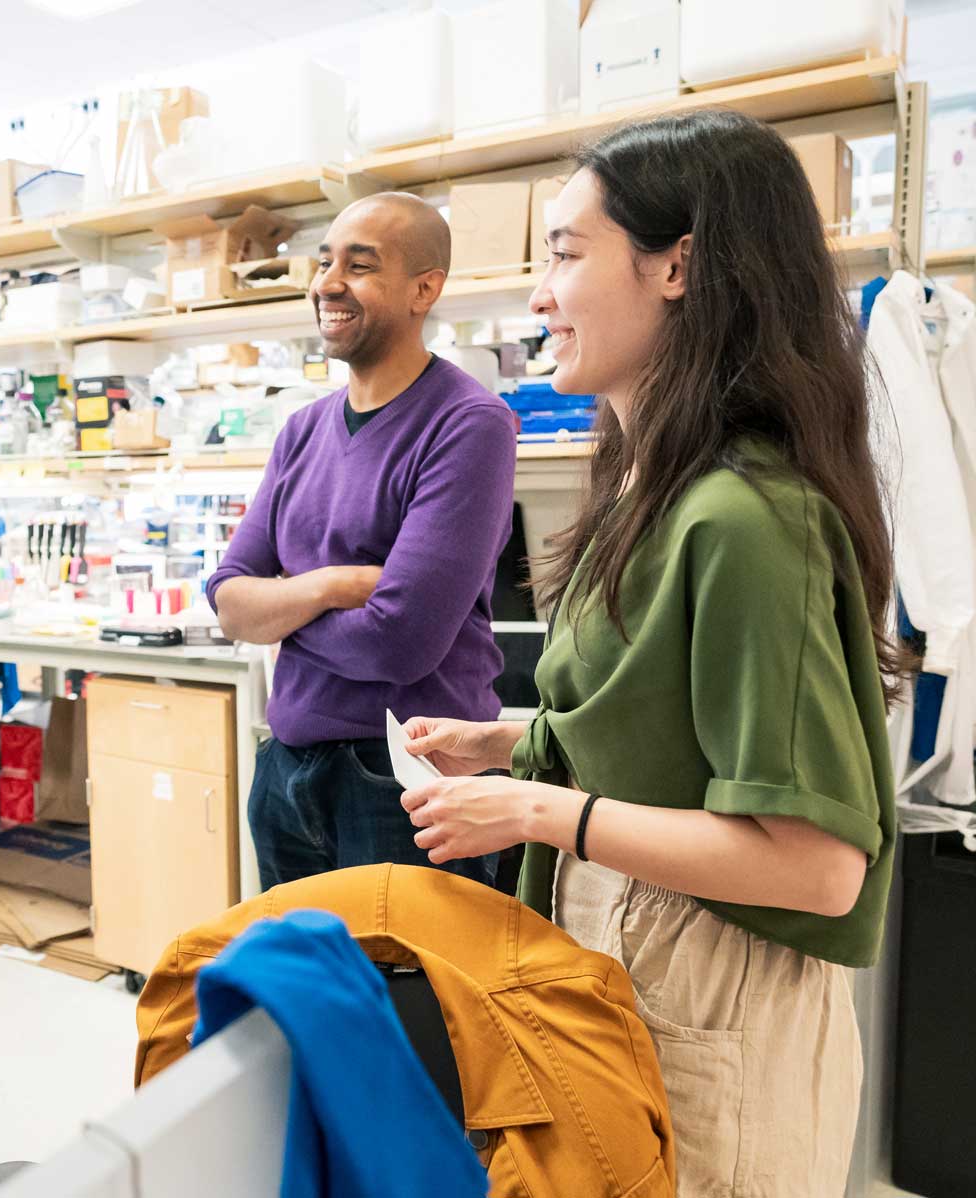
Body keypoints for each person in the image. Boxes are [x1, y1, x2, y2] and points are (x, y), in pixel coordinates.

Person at [400, 110, 897, 1197]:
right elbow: (670, 718)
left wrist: (537, 811)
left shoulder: (746, 516)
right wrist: (516, 744)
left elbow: (817, 865)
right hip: (628, 955)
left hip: (714, 997)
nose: (538, 295)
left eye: (566, 254)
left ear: (679, 266)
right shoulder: (649, 486)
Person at [206, 193, 518, 891]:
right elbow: (227, 601)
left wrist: (280, 615)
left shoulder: (469, 424)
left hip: (403, 780)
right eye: (325, 262)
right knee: (304, 998)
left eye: (360, 265)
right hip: (287, 770)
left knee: (406, 1000)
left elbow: (399, 642)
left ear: (424, 289)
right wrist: (331, 587)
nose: (328, 282)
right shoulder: (303, 430)